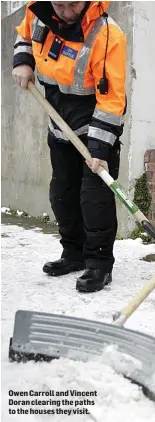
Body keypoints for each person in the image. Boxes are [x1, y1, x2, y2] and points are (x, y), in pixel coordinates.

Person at [12, 1, 126, 293]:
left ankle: (99, 264)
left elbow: (112, 101)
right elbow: (24, 35)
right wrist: (23, 61)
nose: (66, 11)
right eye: (59, 4)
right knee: (62, 195)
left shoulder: (107, 36)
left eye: (73, 4)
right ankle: (73, 254)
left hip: (94, 128)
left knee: (94, 200)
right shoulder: (37, 11)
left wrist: (99, 150)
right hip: (57, 121)